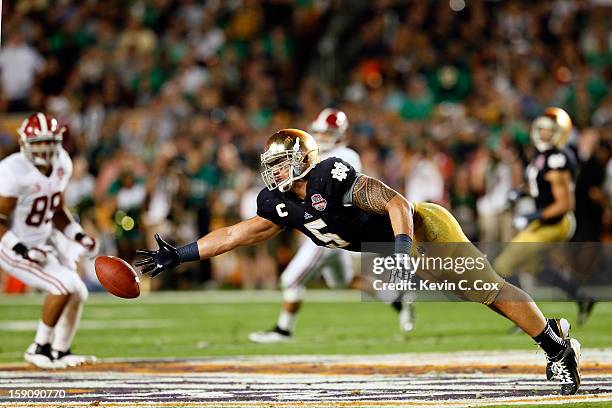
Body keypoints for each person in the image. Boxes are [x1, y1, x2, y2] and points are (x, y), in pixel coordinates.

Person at [137, 128, 581, 395]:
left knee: (489, 290)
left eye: (282, 162)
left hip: (423, 228)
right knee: (479, 294)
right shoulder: (277, 202)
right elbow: (237, 234)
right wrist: (181, 254)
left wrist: (405, 249)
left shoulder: (329, 176)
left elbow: (397, 203)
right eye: (269, 165)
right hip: (398, 245)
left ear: (303, 159)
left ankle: (557, 349)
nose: (273, 173)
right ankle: (555, 334)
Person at [248, 109, 413, 344]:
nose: (323, 137)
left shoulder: (344, 156)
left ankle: (283, 329)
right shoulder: (304, 155)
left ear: (341, 135)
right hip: (323, 231)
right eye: (320, 132)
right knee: (342, 282)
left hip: (331, 229)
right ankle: (396, 298)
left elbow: (330, 197)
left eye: (328, 133)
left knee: (291, 280)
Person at [0, 113, 97, 368]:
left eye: (49, 141)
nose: (45, 148)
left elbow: (56, 209)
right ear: (25, 143)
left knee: (78, 292)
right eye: (39, 142)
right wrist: (21, 249)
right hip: (11, 244)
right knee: (63, 286)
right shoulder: (12, 171)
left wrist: (78, 235)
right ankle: (39, 347)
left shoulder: (62, 162)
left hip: (44, 240)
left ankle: (60, 351)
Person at [495, 107, 595, 325]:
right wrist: (520, 192)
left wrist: (533, 215)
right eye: (541, 129)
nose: (543, 134)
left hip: (556, 221)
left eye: (549, 131)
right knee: (533, 267)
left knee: (503, 264)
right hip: (545, 220)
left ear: (560, 133)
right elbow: (540, 188)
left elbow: (565, 203)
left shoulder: (558, 159)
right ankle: (581, 297)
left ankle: (523, 319)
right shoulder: (543, 156)